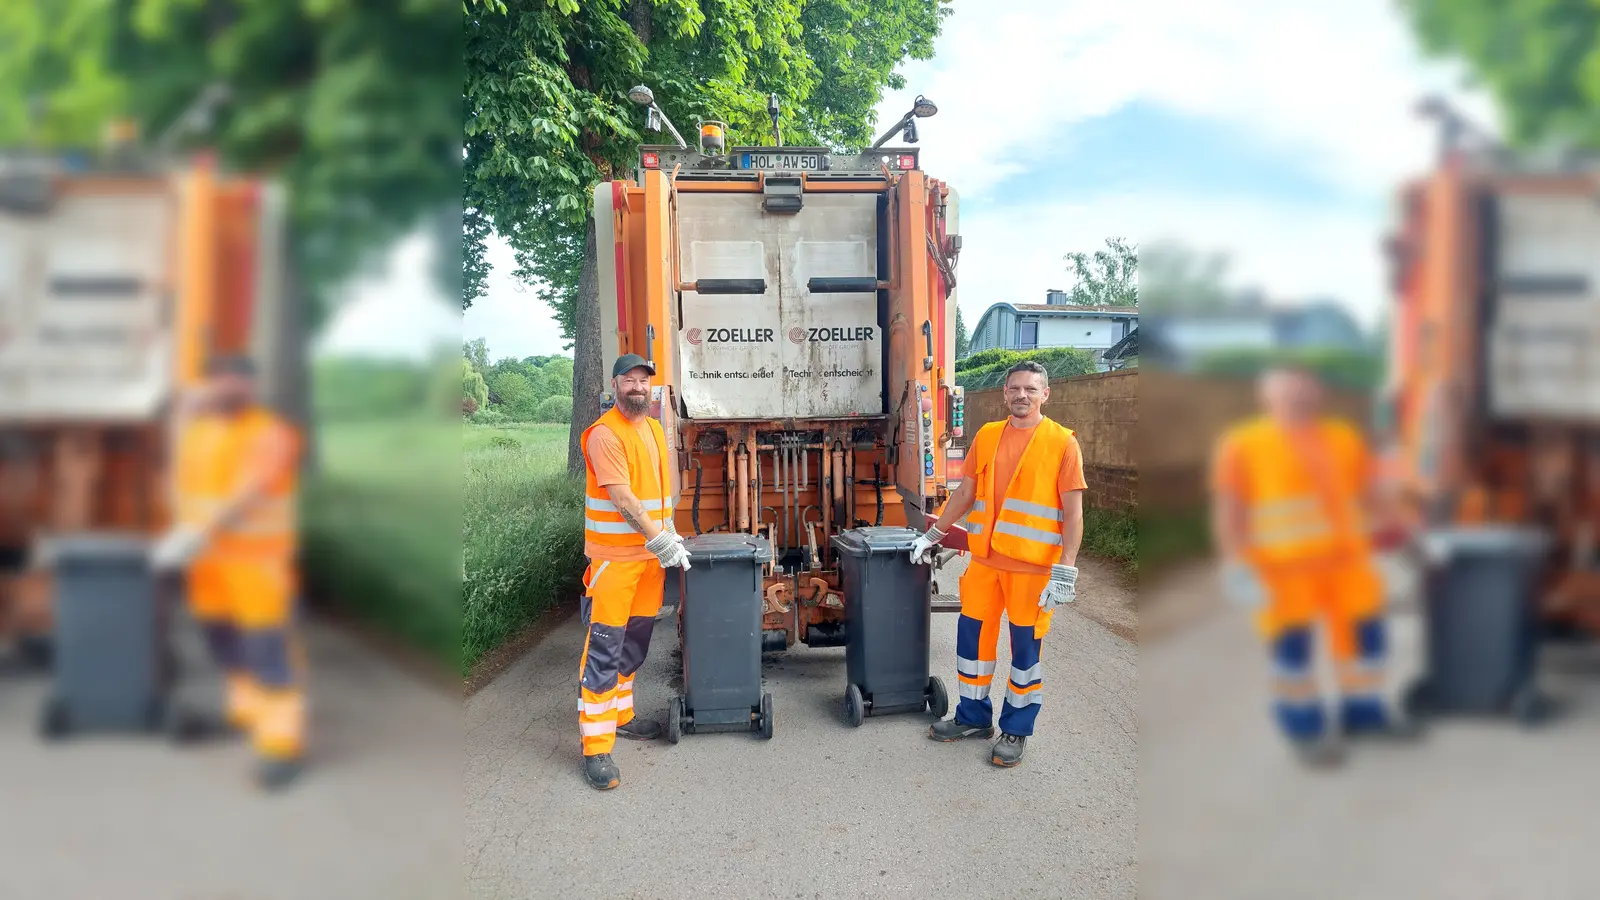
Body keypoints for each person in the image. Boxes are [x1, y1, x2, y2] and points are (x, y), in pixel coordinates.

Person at [1209, 364, 1417, 767]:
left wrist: (1408, 532)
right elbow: (1230, 509)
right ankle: (1304, 730)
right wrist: (1236, 565)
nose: (1298, 400)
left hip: (1347, 566)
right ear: (1267, 397)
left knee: (1366, 643)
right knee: (1294, 653)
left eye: (1304, 393)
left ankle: (1365, 715)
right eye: (1287, 393)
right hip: (1285, 572)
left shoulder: (1342, 438)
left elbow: (1370, 492)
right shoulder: (1244, 444)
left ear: (1316, 395)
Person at [909, 360, 1086, 768]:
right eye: (1014, 389)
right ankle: (973, 717)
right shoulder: (988, 436)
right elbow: (966, 490)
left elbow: (1074, 512)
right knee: (972, 644)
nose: (1021, 395)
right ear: (1004, 393)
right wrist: (936, 532)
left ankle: (1016, 729)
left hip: (1031, 570)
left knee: (1024, 654)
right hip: (985, 564)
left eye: (1030, 389)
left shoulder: (1062, 443)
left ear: (1045, 394)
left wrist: (1067, 568)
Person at [151, 355, 306, 790]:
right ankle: (247, 717)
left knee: (267, 652)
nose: (225, 391)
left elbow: (250, 492)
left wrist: (196, 533)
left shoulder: (270, 432)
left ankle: (280, 746)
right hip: (210, 569)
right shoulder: (199, 432)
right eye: (219, 383)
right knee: (226, 647)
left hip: (258, 568)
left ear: (250, 388)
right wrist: (181, 416)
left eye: (236, 384)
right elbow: (177, 481)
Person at [576, 354, 691, 790]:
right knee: (604, 649)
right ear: (615, 384)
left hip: (648, 562)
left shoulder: (653, 428)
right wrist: (658, 538)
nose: (638, 386)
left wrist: (669, 533)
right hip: (615, 562)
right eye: (630, 380)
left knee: (634, 644)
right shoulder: (605, 434)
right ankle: (596, 747)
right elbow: (623, 499)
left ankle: (622, 717)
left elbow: (660, 492)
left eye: (644, 380)